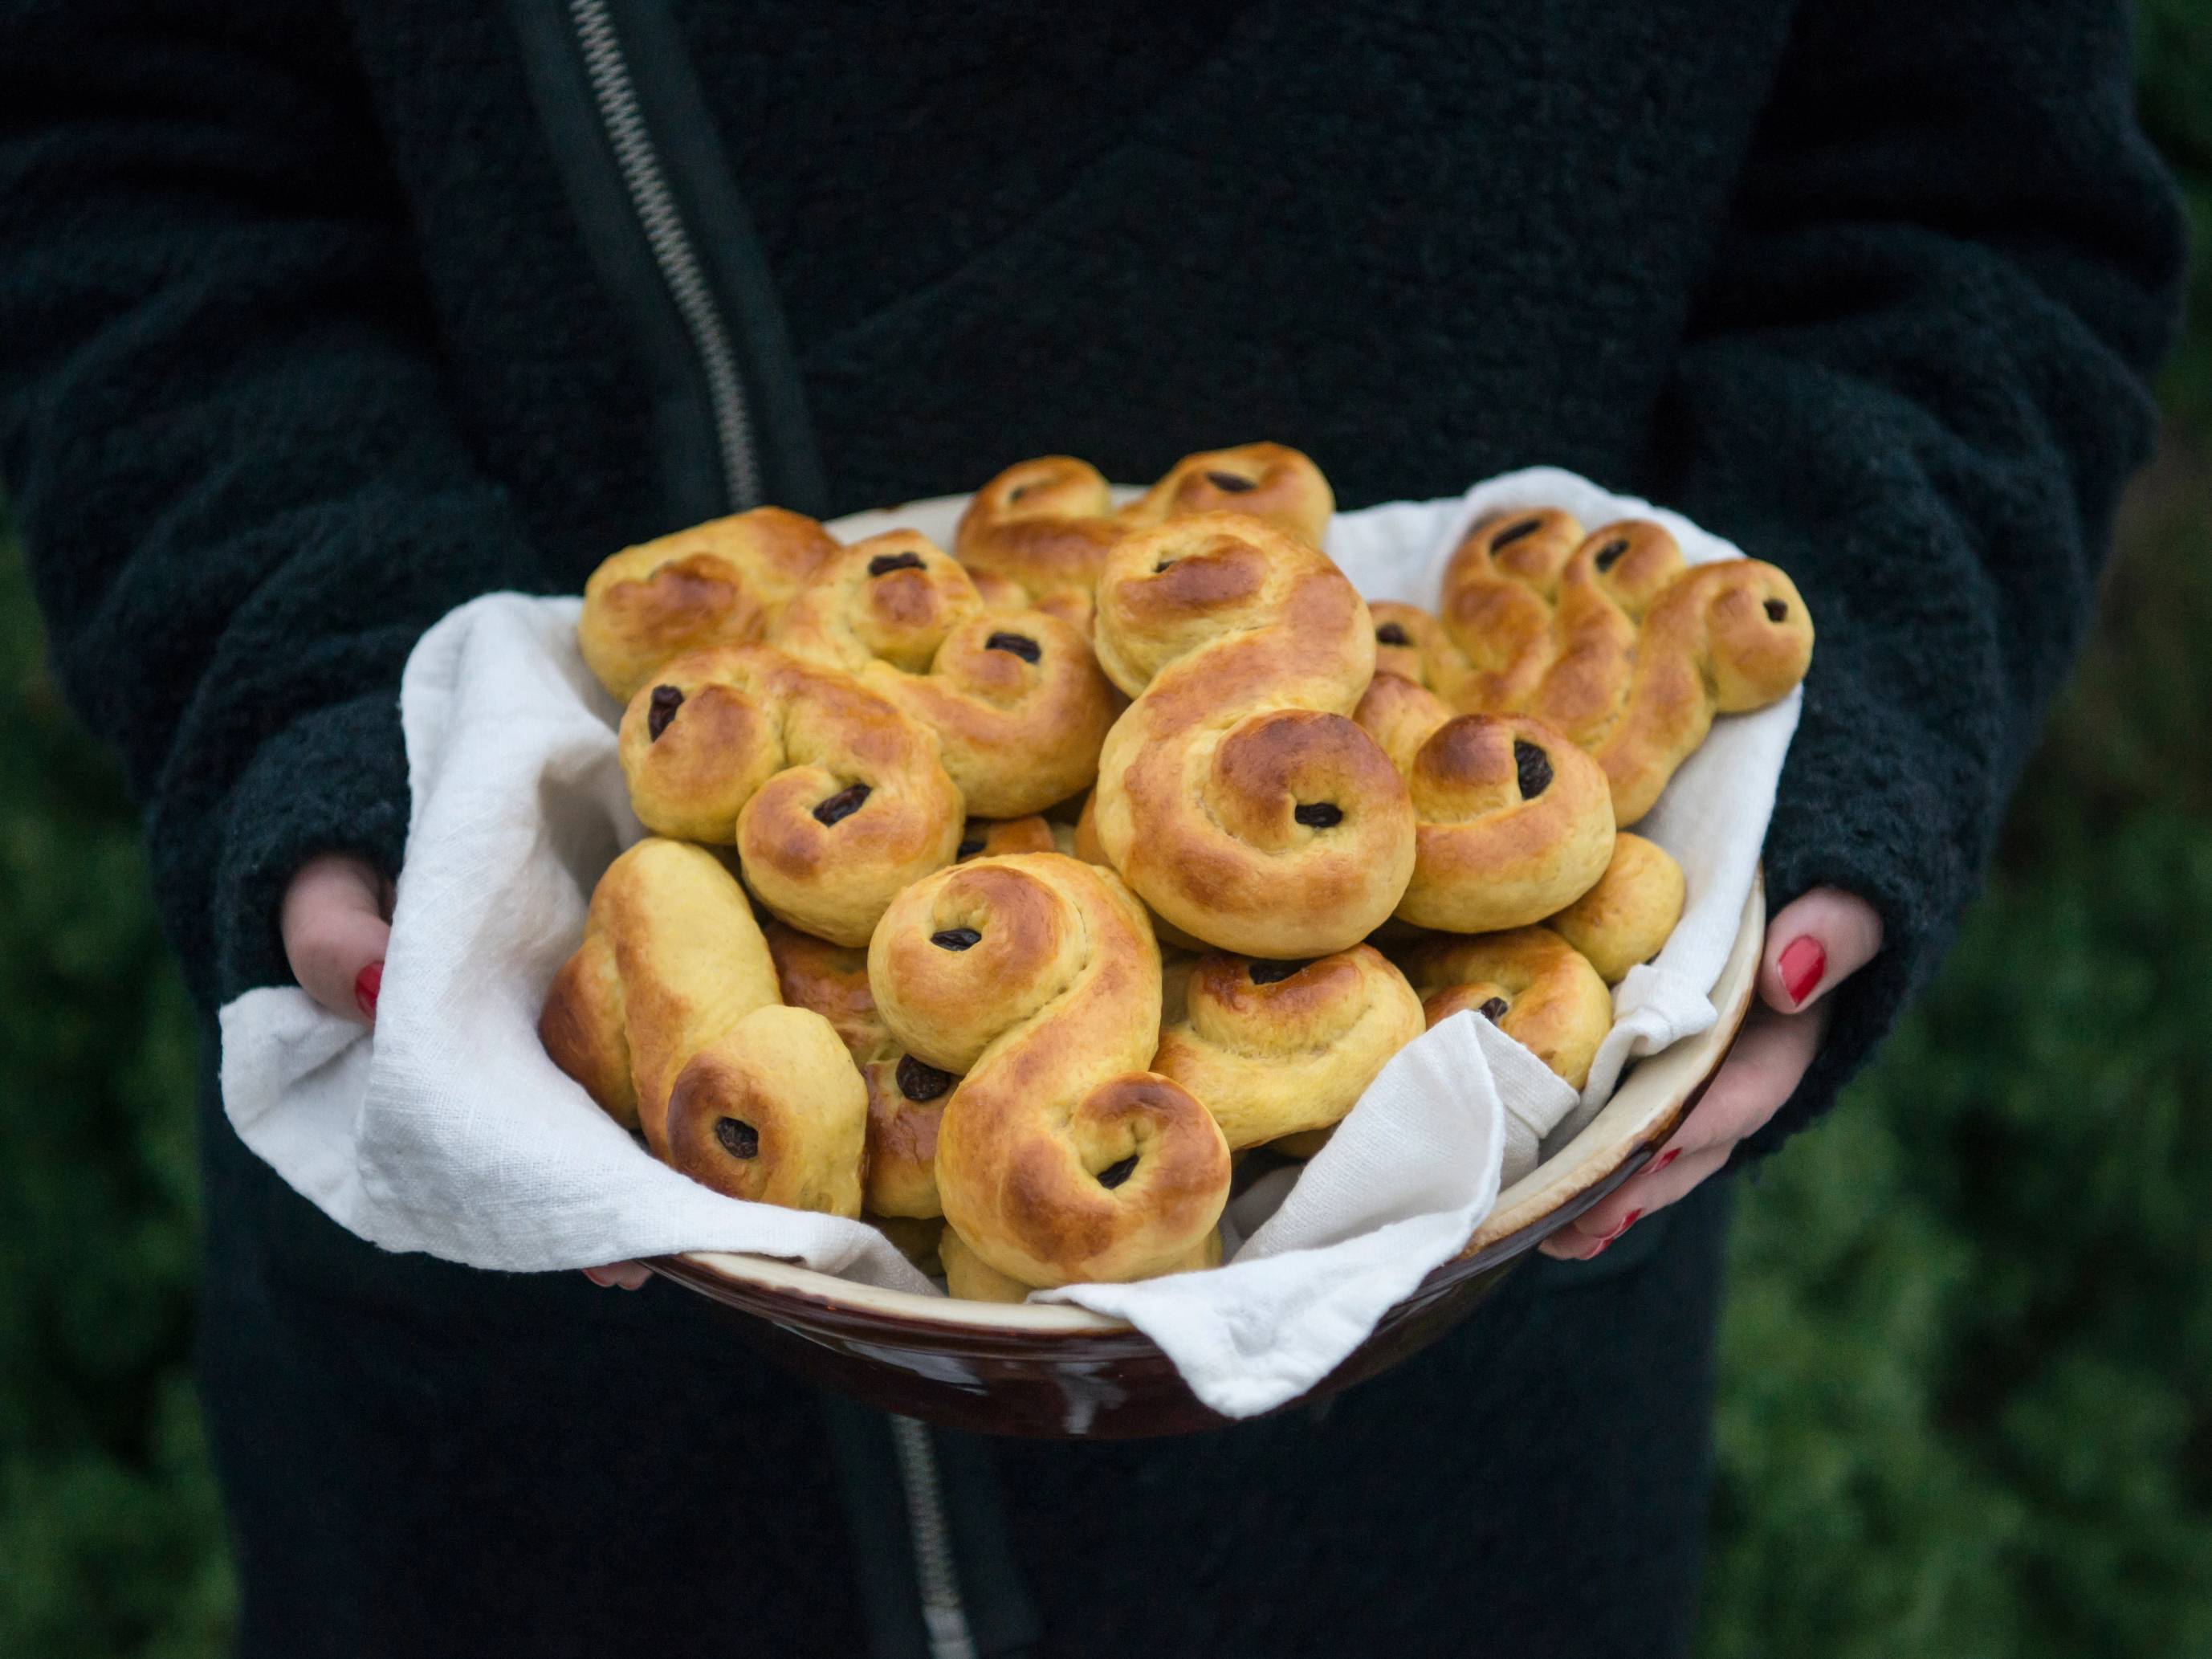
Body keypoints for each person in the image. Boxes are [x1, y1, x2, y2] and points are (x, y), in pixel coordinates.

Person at [0, 2, 2182, 1655]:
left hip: (1452, 1370)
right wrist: (336, 697)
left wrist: (1839, 703)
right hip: (549, 1391)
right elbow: (141, 155)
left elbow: (1965, 199)